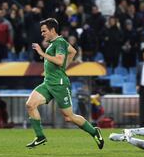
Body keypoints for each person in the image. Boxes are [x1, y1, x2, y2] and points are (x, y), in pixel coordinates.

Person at [26, 18, 104, 149]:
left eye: (44, 31)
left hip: (59, 84)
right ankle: (40, 136)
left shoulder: (59, 42)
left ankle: (94, 131)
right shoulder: (55, 42)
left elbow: (59, 60)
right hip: (48, 83)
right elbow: (73, 51)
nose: (42, 34)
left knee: (69, 117)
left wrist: (41, 53)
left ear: (52, 30)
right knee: (30, 105)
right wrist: (64, 67)